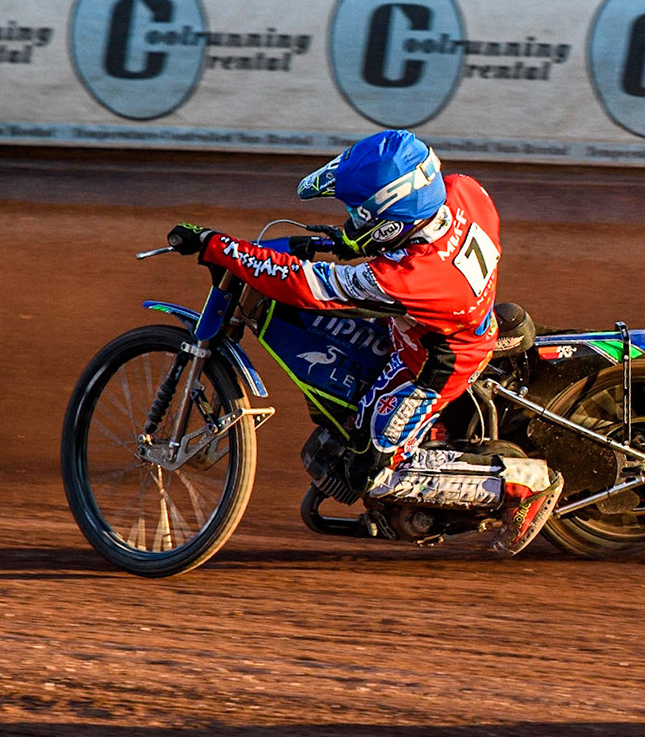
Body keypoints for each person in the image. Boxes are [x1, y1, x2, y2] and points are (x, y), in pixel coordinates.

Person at [167, 128, 563, 555]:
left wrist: (218, 246)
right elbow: (394, 237)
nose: (352, 217)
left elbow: (310, 285)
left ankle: (523, 485)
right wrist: (342, 238)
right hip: (437, 321)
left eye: (358, 211)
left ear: (393, 219)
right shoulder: (463, 191)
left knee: (375, 469)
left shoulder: (412, 277)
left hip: (434, 362)